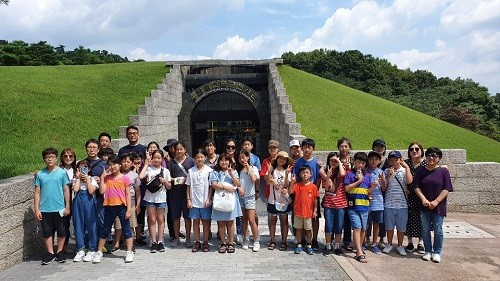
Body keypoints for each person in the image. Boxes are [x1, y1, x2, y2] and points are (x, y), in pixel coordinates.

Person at [414, 147, 453, 263]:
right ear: (425, 157)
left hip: (439, 206)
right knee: (425, 229)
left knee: (438, 230)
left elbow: (446, 188)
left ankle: (437, 252)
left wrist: (436, 201)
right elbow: (416, 187)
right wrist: (423, 199)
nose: (431, 158)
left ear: (439, 158)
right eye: (429, 155)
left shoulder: (443, 171)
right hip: (424, 205)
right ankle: (427, 251)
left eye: (434, 156)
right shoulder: (420, 170)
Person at [93, 155, 134, 263]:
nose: (112, 167)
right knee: (105, 230)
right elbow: (101, 192)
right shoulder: (107, 178)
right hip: (109, 207)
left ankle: (129, 252)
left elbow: (128, 195)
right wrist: (102, 178)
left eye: (114, 164)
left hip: (121, 207)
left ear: (120, 165)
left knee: (126, 229)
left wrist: (129, 209)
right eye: (110, 165)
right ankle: (99, 252)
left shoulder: (125, 178)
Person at [34, 148, 71, 265]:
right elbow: (37, 192)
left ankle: (59, 252)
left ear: (56, 158)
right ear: (44, 159)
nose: (50, 159)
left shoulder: (62, 173)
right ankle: (50, 252)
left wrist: (68, 206)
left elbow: (66, 190)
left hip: (59, 208)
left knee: (61, 230)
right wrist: (36, 209)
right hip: (45, 209)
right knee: (47, 231)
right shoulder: (40, 174)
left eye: (52, 157)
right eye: (47, 157)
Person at [344, 152, 377, 263]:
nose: (361, 164)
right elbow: (347, 189)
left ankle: (358, 247)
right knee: (357, 228)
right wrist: (359, 180)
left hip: (364, 206)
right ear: (354, 161)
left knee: (363, 228)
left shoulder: (368, 175)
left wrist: (373, 186)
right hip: (353, 206)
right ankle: (359, 252)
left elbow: (368, 192)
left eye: (363, 162)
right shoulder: (349, 174)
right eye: (359, 162)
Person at [381, 150, 413, 256]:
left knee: (401, 227)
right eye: (391, 160)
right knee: (389, 227)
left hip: (402, 204)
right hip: (389, 204)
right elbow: (384, 188)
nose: (394, 162)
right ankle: (389, 244)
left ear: (400, 160)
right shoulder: (386, 171)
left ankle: (400, 245)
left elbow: (409, 181)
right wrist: (389, 176)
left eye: (396, 160)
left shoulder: (404, 171)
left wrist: (407, 167)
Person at [139, 149, 171, 253]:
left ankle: (160, 241)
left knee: (160, 219)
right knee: (152, 219)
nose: (156, 160)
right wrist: (146, 164)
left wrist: (165, 181)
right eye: (155, 157)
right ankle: (153, 241)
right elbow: (140, 176)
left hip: (161, 197)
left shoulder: (165, 171)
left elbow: (169, 187)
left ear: (162, 159)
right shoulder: (149, 169)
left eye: (159, 158)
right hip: (150, 198)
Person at [210, 153, 242, 254]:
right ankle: (223, 243)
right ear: (218, 162)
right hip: (220, 200)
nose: (224, 162)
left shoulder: (234, 172)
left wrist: (231, 174)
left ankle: (231, 242)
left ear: (230, 161)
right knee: (221, 222)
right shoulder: (215, 172)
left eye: (226, 160)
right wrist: (225, 187)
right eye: (222, 160)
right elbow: (213, 184)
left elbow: (238, 184)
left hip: (231, 200)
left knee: (230, 222)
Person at [293, 138, 321, 251]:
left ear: (313, 149)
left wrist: (316, 192)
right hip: (300, 192)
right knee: (301, 217)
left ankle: (314, 239)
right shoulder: (298, 162)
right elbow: (294, 178)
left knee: (314, 217)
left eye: (309, 147)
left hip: (312, 193)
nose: (307, 149)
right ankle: (302, 240)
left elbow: (318, 178)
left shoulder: (316, 163)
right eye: (305, 147)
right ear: (302, 148)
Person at [167, 141, 195, 248]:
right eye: (177, 149)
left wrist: (187, 179)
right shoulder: (171, 163)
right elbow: (168, 178)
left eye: (181, 149)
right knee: (176, 217)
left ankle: (188, 238)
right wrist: (176, 180)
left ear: (185, 149)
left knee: (187, 217)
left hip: (187, 194)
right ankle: (177, 238)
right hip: (174, 194)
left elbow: (194, 175)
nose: (179, 151)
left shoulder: (191, 161)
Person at [112, 153, 142, 252]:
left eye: (128, 162)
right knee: (118, 225)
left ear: (132, 163)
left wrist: (138, 205)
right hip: (118, 202)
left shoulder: (134, 175)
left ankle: (131, 243)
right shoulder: (116, 173)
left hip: (131, 202)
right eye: (123, 161)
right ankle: (117, 243)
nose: (125, 164)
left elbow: (137, 191)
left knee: (131, 224)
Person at [319, 152, 347, 256]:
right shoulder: (326, 173)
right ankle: (328, 245)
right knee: (329, 226)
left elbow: (343, 175)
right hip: (329, 204)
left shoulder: (341, 171)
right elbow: (326, 189)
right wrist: (328, 178)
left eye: (336, 160)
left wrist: (339, 162)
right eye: (332, 160)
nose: (333, 162)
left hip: (341, 204)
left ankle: (337, 246)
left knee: (339, 226)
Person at [186, 149, 213, 253]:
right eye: (198, 157)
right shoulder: (191, 171)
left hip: (205, 201)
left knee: (206, 222)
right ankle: (197, 241)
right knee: (195, 222)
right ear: (195, 159)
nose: (200, 159)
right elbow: (188, 186)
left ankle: (205, 241)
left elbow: (211, 187)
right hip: (194, 201)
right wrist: (188, 200)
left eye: (202, 157)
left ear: (205, 158)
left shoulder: (209, 171)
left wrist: (208, 198)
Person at [288, 165, 319, 255]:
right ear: (299, 175)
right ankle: (299, 244)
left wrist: (315, 210)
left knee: (309, 229)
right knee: (298, 229)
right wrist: (292, 183)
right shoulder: (297, 185)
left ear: (310, 174)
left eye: (307, 173)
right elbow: (290, 192)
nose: (305, 174)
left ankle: (309, 245)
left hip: (308, 213)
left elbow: (316, 199)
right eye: (302, 173)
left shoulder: (313, 187)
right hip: (298, 212)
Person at [72, 159, 98, 262]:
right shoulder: (75, 179)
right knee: (78, 225)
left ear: (89, 169)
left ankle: (92, 250)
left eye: (85, 168)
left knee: (92, 226)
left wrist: (87, 179)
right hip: (78, 203)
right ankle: (80, 249)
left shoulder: (92, 179)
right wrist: (78, 178)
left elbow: (91, 190)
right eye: (81, 168)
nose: (83, 170)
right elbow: (75, 190)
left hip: (90, 203)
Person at [266, 151, 293, 251]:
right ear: (276, 159)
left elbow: (286, 185)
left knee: (284, 221)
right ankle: (272, 240)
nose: (282, 160)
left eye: (284, 159)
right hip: (273, 199)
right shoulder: (272, 170)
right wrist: (269, 172)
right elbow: (268, 181)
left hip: (283, 199)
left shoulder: (287, 171)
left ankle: (284, 241)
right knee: (273, 220)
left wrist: (286, 174)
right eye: (280, 158)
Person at [84, 139, 107, 254]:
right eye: (89, 147)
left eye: (94, 147)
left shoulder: (104, 164)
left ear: (98, 149)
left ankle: (100, 244)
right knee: (88, 221)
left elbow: (108, 178)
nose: (91, 149)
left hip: (100, 197)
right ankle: (88, 244)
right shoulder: (82, 163)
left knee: (101, 220)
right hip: (87, 197)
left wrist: (101, 179)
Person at [236, 150, 261, 251]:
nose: (242, 160)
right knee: (244, 220)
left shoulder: (253, 168)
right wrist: (239, 189)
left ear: (248, 157)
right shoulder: (238, 170)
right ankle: (246, 239)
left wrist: (248, 168)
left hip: (250, 197)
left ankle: (256, 241)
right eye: (240, 158)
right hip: (240, 197)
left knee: (252, 220)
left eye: (244, 157)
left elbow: (254, 179)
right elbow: (236, 183)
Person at [404, 141, 426, 254]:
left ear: (421, 151)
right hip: (409, 196)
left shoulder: (426, 164)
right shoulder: (406, 163)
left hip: (422, 195)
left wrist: (444, 167)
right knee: (408, 219)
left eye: (417, 149)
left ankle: (421, 243)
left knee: (422, 219)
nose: (414, 151)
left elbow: (437, 168)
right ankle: (410, 242)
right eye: (411, 149)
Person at [364, 151, 385, 255]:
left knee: (376, 224)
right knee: (366, 224)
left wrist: (383, 180)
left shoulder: (381, 172)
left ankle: (374, 243)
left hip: (378, 202)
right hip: (366, 202)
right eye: (371, 159)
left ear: (379, 160)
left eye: (376, 159)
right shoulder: (365, 171)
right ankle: (364, 242)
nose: (373, 161)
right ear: (368, 160)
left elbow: (384, 188)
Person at [337, 137, 354, 252]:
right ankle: (334, 240)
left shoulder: (353, 160)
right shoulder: (335, 159)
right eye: (342, 146)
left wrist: (350, 168)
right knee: (337, 218)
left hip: (351, 192)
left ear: (349, 147)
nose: (344, 148)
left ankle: (347, 241)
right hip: (338, 192)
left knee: (348, 218)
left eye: (346, 146)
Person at [59, 148, 76, 254]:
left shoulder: (77, 169)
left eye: (71, 156)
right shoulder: (58, 169)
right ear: (61, 157)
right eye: (65, 156)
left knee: (75, 223)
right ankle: (63, 246)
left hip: (76, 199)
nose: (68, 158)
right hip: (62, 199)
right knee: (63, 223)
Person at [162, 138, 178, 240]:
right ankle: (172, 232)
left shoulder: (183, 157)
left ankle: (177, 231)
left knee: (179, 211)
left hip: (181, 187)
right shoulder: (165, 160)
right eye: (170, 147)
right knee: (171, 211)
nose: (172, 149)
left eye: (174, 146)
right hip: (170, 187)